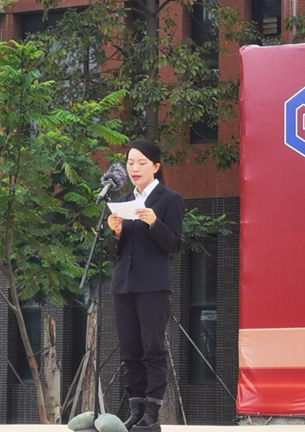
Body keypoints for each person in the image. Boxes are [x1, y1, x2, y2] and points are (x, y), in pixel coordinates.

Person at [106, 141, 184, 432]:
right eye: (130, 163)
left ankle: (152, 413)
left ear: (156, 166)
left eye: (141, 163)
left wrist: (154, 223)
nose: (134, 168)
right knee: (130, 351)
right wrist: (115, 233)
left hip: (153, 285)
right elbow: (114, 252)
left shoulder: (169, 199)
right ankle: (135, 410)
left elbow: (174, 244)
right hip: (124, 285)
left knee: (153, 349)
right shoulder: (124, 201)